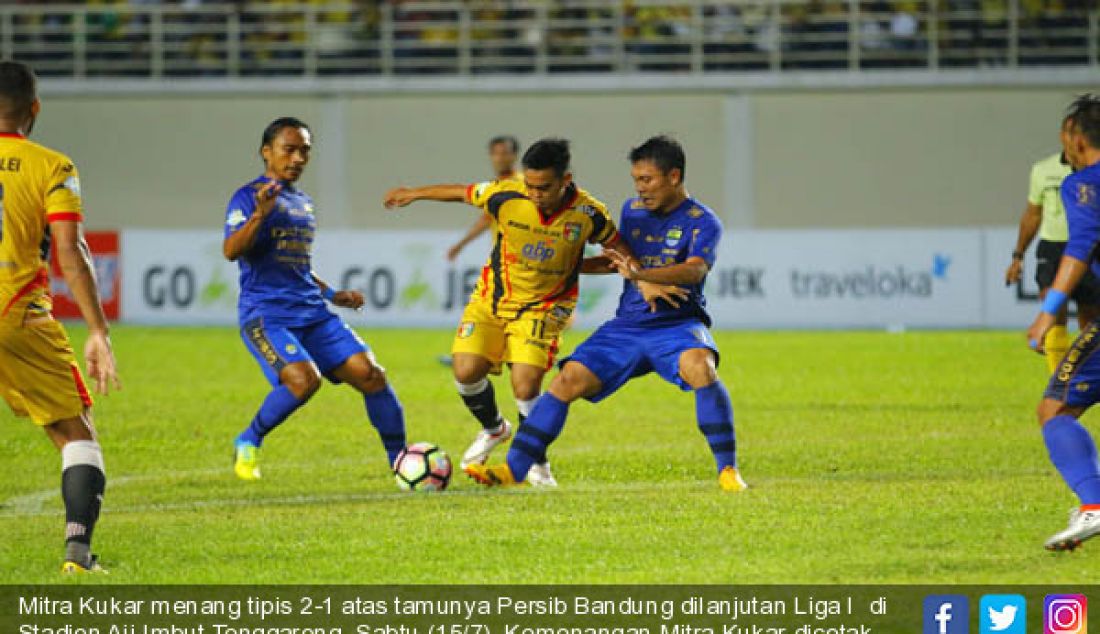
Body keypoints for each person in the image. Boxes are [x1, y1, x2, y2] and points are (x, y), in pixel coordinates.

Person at [384, 138, 680, 486]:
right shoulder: (507, 193)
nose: (535, 193)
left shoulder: (588, 213)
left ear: (565, 180)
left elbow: (617, 247)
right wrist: (414, 193)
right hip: (492, 300)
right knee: (465, 371)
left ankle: (536, 462)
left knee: (525, 385)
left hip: (545, 307)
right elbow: (461, 192)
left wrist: (643, 280)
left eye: (544, 187)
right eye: (531, 185)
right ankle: (495, 428)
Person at [465, 135, 746, 492]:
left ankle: (728, 471)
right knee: (565, 382)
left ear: (674, 176)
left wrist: (640, 275)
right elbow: (618, 262)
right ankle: (515, 470)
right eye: (636, 181)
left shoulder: (703, 221)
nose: (640, 189)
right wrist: (566, 264)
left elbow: (694, 271)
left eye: (647, 180)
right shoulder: (632, 211)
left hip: (676, 326)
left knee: (701, 368)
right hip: (626, 328)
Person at [225, 117, 406, 481]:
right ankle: (248, 440)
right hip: (267, 315)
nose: (297, 158)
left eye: (304, 151)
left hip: (313, 313)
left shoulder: (302, 203)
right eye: (288, 149)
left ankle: (401, 463)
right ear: (266, 152)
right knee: (304, 381)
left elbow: (298, 266)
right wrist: (260, 215)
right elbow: (231, 250)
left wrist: (332, 294)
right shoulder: (247, 196)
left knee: (371, 375)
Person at [0, 61, 121, 572]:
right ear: (35, 109)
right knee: (76, 434)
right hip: (16, 314)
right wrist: (97, 331)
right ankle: (77, 553)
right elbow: (70, 252)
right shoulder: (53, 167)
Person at [1025, 94, 1100, 550]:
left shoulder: (1084, 184)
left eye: (1064, 139)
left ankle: (1093, 506)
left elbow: (1080, 247)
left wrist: (1047, 313)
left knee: (1054, 410)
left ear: (1075, 135)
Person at [1007, 115, 1100, 371]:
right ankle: (1060, 378)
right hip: (1054, 246)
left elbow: (1084, 241)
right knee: (1053, 305)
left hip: (1084, 248)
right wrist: (1018, 255)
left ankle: (1084, 378)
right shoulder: (1043, 170)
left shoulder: (1080, 180)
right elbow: (1032, 213)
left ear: (1080, 139)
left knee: (1090, 319)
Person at [445, 135, 522, 262]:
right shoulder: (495, 185)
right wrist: (461, 245)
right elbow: (487, 219)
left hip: (519, 255)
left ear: (514, 156)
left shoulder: (523, 184)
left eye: (504, 153)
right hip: (504, 255)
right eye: (495, 153)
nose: (499, 158)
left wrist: (461, 245)